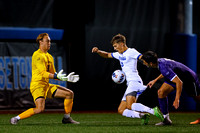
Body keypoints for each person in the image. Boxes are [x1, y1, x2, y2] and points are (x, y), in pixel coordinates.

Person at [92, 34, 164, 125]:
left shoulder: (131, 51)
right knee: (121, 110)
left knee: (130, 106)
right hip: (130, 84)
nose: (114, 48)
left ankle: (153, 111)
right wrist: (98, 51)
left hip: (134, 81)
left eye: (115, 46)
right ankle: (143, 115)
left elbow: (142, 58)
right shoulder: (119, 54)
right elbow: (107, 55)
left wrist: (149, 62)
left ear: (122, 44)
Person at [10, 33, 80, 125]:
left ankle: (66, 118)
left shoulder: (49, 56)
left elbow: (53, 74)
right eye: (47, 41)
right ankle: (16, 118)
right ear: (40, 42)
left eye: (50, 41)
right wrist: (57, 76)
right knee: (40, 109)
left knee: (69, 94)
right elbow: (43, 73)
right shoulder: (37, 55)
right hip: (37, 85)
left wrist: (66, 78)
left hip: (46, 85)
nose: (49, 43)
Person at [141, 50, 200, 125]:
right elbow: (167, 72)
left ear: (151, 63)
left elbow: (179, 82)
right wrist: (155, 80)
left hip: (189, 78)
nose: (144, 63)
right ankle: (166, 120)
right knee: (161, 92)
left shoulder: (163, 67)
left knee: (197, 98)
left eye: (144, 61)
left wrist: (177, 99)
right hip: (177, 76)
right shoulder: (159, 61)